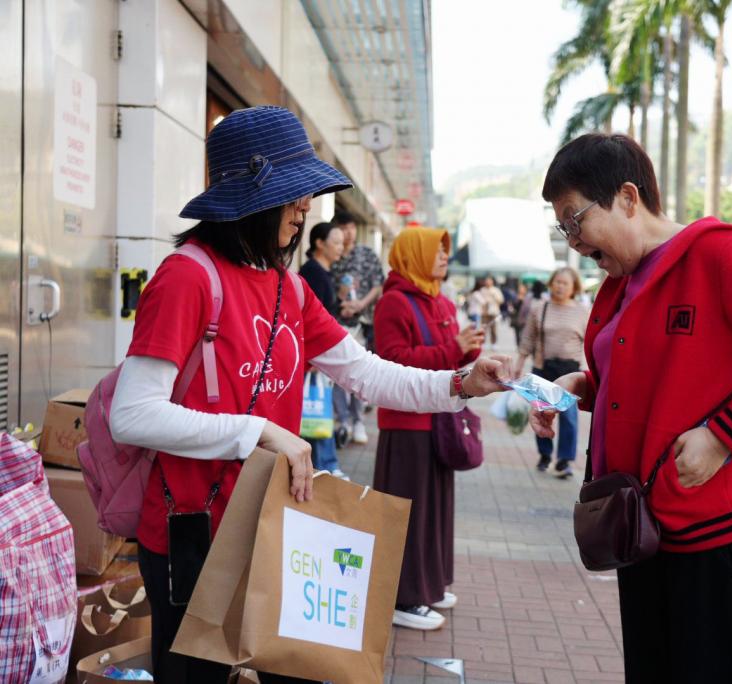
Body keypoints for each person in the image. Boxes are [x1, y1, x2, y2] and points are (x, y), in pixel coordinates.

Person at [107, 106, 510, 683]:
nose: (305, 209)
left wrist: (461, 383)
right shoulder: (187, 277)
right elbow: (133, 414)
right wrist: (259, 433)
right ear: (250, 198)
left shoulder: (287, 287)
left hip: (270, 528)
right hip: (194, 532)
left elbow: (366, 373)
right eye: (294, 195)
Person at [529, 133, 732, 683]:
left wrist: (723, 435)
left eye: (575, 219)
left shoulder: (719, 258)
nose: (573, 241)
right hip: (642, 530)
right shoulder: (621, 282)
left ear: (628, 198)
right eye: (564, 227)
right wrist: (585, 386)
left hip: (716, 536)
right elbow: (652, 376)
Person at [372, 227, 486, 631]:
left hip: (439, 418)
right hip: (407, 424)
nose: (443, 257)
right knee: (410, 512)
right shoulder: (394, 303)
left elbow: (449, 357)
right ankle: (403, 596)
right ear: (413, 255)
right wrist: (453, 349)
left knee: (435, 510)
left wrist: (471, 347)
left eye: (443, 251)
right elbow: (392, 362)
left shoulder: (440, 299)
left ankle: (429, 584)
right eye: (435, 251)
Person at [515, 267, 588, 478]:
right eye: (557, 282)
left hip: (570, 370)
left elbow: (591, 341)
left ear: (574, 287)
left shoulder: (583, 311)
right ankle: (545, 454)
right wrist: (520, 360)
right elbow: (528, 337)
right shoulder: (540, 307)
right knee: (542, 413)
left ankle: (565, 460)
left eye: (565, 283)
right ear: (550, 283)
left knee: (569, 418)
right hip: (544, 369)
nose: (560, 286)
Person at [330, 211, 385, 445]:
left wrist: (361, 303)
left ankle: (358, 420)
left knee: (360, 372)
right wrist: (342, 302)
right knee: (339, 376)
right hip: (339, 320)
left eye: (351, 227)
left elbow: (378, 283)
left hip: (363, 322)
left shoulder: (366, 254)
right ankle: (343, 420)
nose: (348, 232)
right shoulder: (334, 255)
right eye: (343, 227)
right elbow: (329, 289)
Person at [298, 222, 345, 476]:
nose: (341, 247)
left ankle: (325, 463)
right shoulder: (312, 274)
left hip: (319, 353)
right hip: (314, 355)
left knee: (317, 408)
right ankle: (326, 464)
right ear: (319, 243)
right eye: (336, 242)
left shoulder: (323, 272)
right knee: (316, 408)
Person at [473, 275, 504, 349]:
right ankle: (483, 343)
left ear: (492, 281)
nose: (488, 282)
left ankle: (494, 343)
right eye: (486, 280)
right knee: (484, 328)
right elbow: (479, 300)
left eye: (489, 280)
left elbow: (501, 300)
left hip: (494, 312)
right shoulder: (482, 290)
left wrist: (494, 296)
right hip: (484, 313)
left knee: (494, 329)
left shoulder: (496, 290)